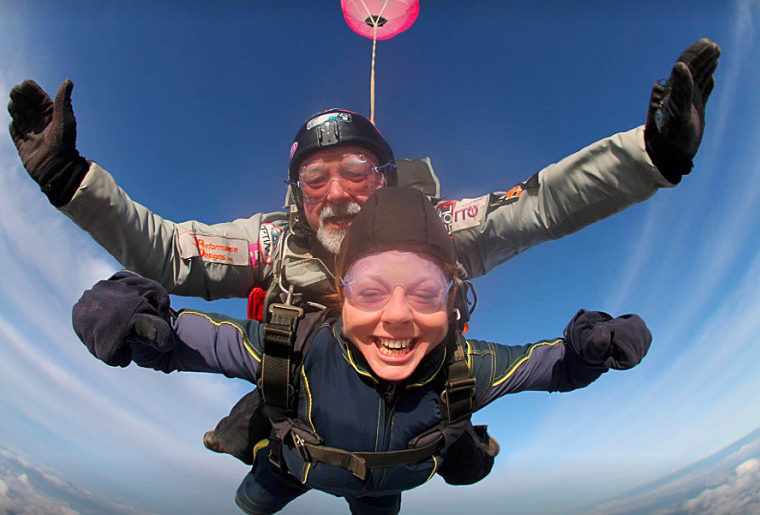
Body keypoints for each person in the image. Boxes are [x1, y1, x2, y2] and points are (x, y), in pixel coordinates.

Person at [8, 38, 719, 458]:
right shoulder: (270, 241)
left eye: (358, 173)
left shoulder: (431, 226)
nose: (340, 193)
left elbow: (536, 206)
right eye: (317, 178)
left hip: (412, 399)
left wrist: (650, 153)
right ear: (295, 195)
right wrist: (71, 180)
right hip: (300, 398)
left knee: (382, 486)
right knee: (270, 471)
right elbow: (169, 253)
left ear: (386, 181)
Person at [73, 186, 653, 515]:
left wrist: (593, 346)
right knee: (250, 503)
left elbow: (553, 365)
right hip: (290, 469)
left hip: (382, 493)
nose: (396, 313)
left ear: (454, 304)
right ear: (339, 299)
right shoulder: (293, 347)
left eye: (425, 291)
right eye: (370, 289)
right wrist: (129, 321)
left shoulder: (464, 368)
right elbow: (187, 338)